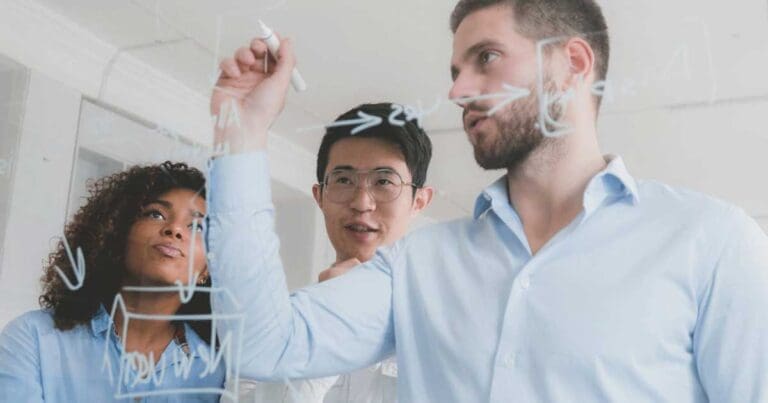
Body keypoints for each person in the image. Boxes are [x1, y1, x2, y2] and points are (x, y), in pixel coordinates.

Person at [207, 1, 768, 401]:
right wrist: (243, 131)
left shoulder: (711, 242)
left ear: (572, 62)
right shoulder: (417, 267)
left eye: (487, 58)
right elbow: (260, 344)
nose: (457, 90)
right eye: (455, 71)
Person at [226, 103, 433, 403]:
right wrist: (330, 321)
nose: (362, 203)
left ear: (419, 202)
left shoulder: (445, 332)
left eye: (384, 182)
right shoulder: (266, 331)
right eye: (344, 180)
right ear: (320, 196)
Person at [0, 161, 226, 402]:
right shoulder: (34, 338)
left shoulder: (215, 375)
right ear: (117, 233)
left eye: (197, 226)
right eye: (155, 214)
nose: (175, 230)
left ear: (208, 269)